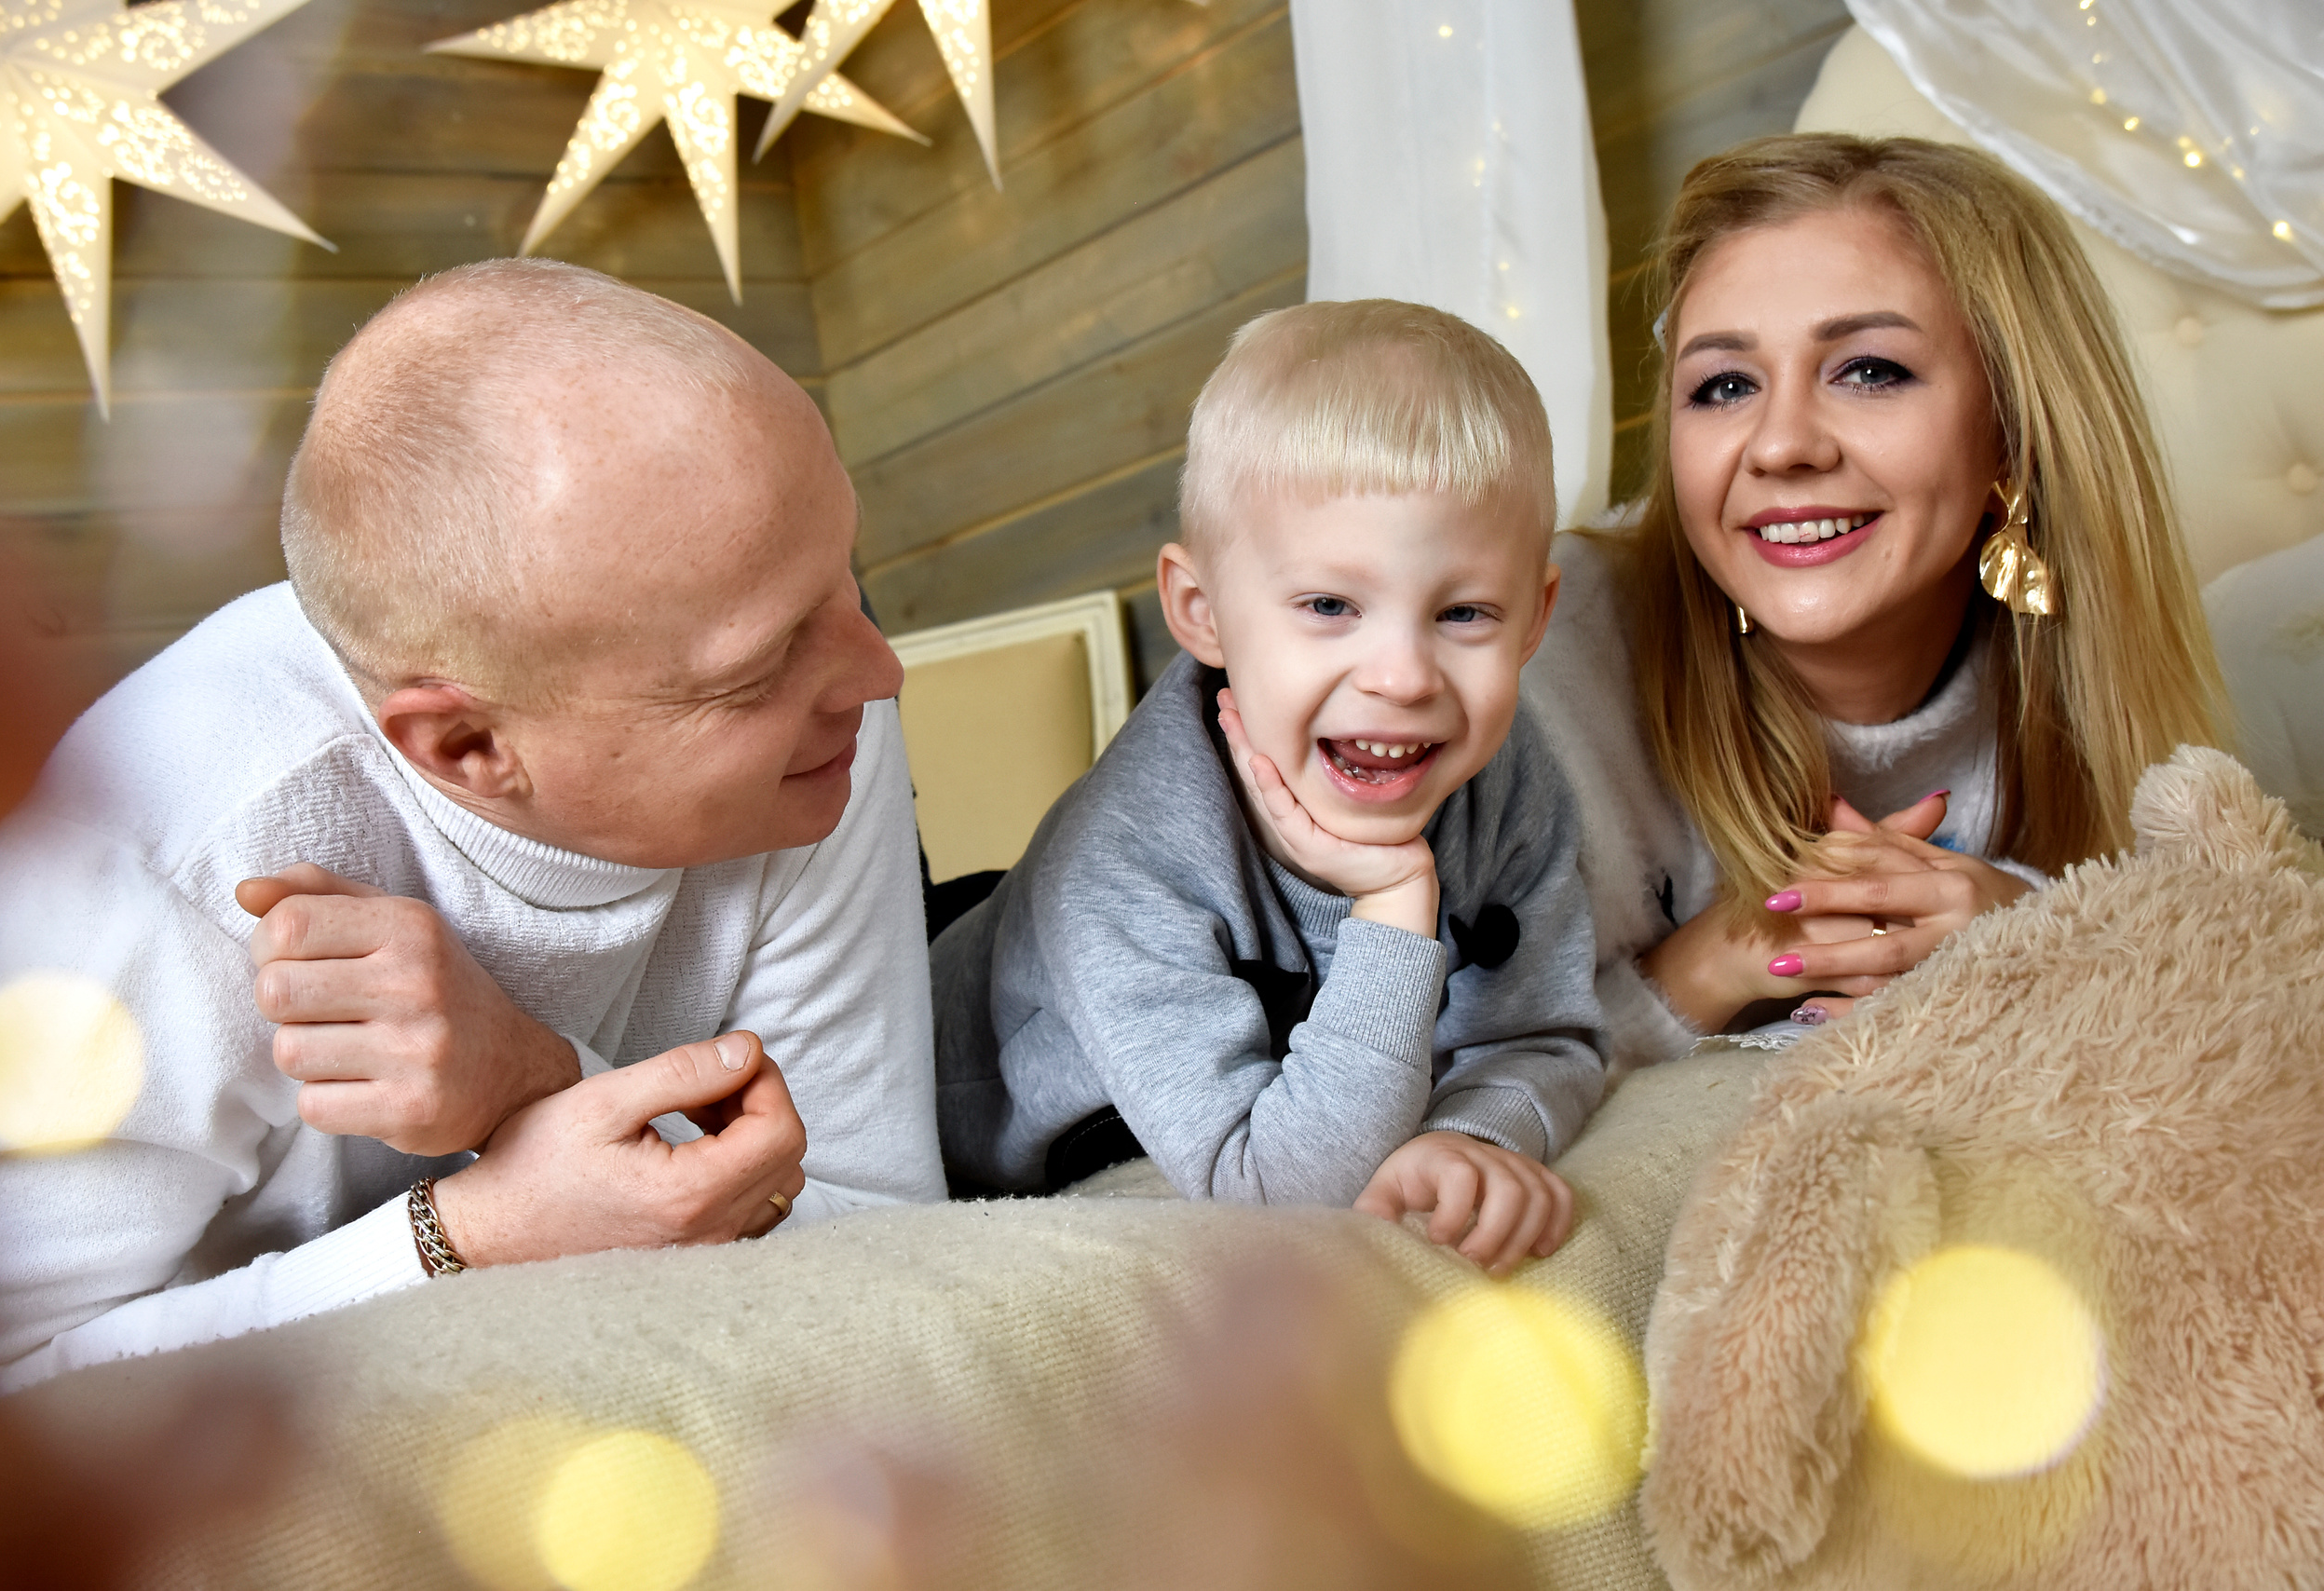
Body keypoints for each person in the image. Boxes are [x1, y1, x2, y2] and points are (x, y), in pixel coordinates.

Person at [0, 259, 945, 1392]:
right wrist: (463, 1234)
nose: (880, 673)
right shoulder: (161, 849)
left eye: (846, 578)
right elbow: (0, 1395)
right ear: (466, 745)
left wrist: (530, 1080)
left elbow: (885, 1235)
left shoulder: (820, 731)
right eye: (759, 666)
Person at [1522, 134, 2223, 1065]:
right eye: (1724, 385)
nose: (1781, 445)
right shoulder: (1537, 668)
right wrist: (1713, 963)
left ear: (2014, 433)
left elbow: (2228, 976)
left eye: (1868, 371)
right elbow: (1427, 1075)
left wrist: (2042, 926)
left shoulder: (2089, 679)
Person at [934, 301, 1605, 1273]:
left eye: (1464, 613)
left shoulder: (1508, 778)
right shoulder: (1123, 864)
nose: (1403, 677)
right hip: (971, 1064)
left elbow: (1545, 1034)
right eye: (1330, 604)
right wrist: (1394, 901)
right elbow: (1281, 1193)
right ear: (1201, 611)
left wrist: (1471, 1137)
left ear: (1534, 618)